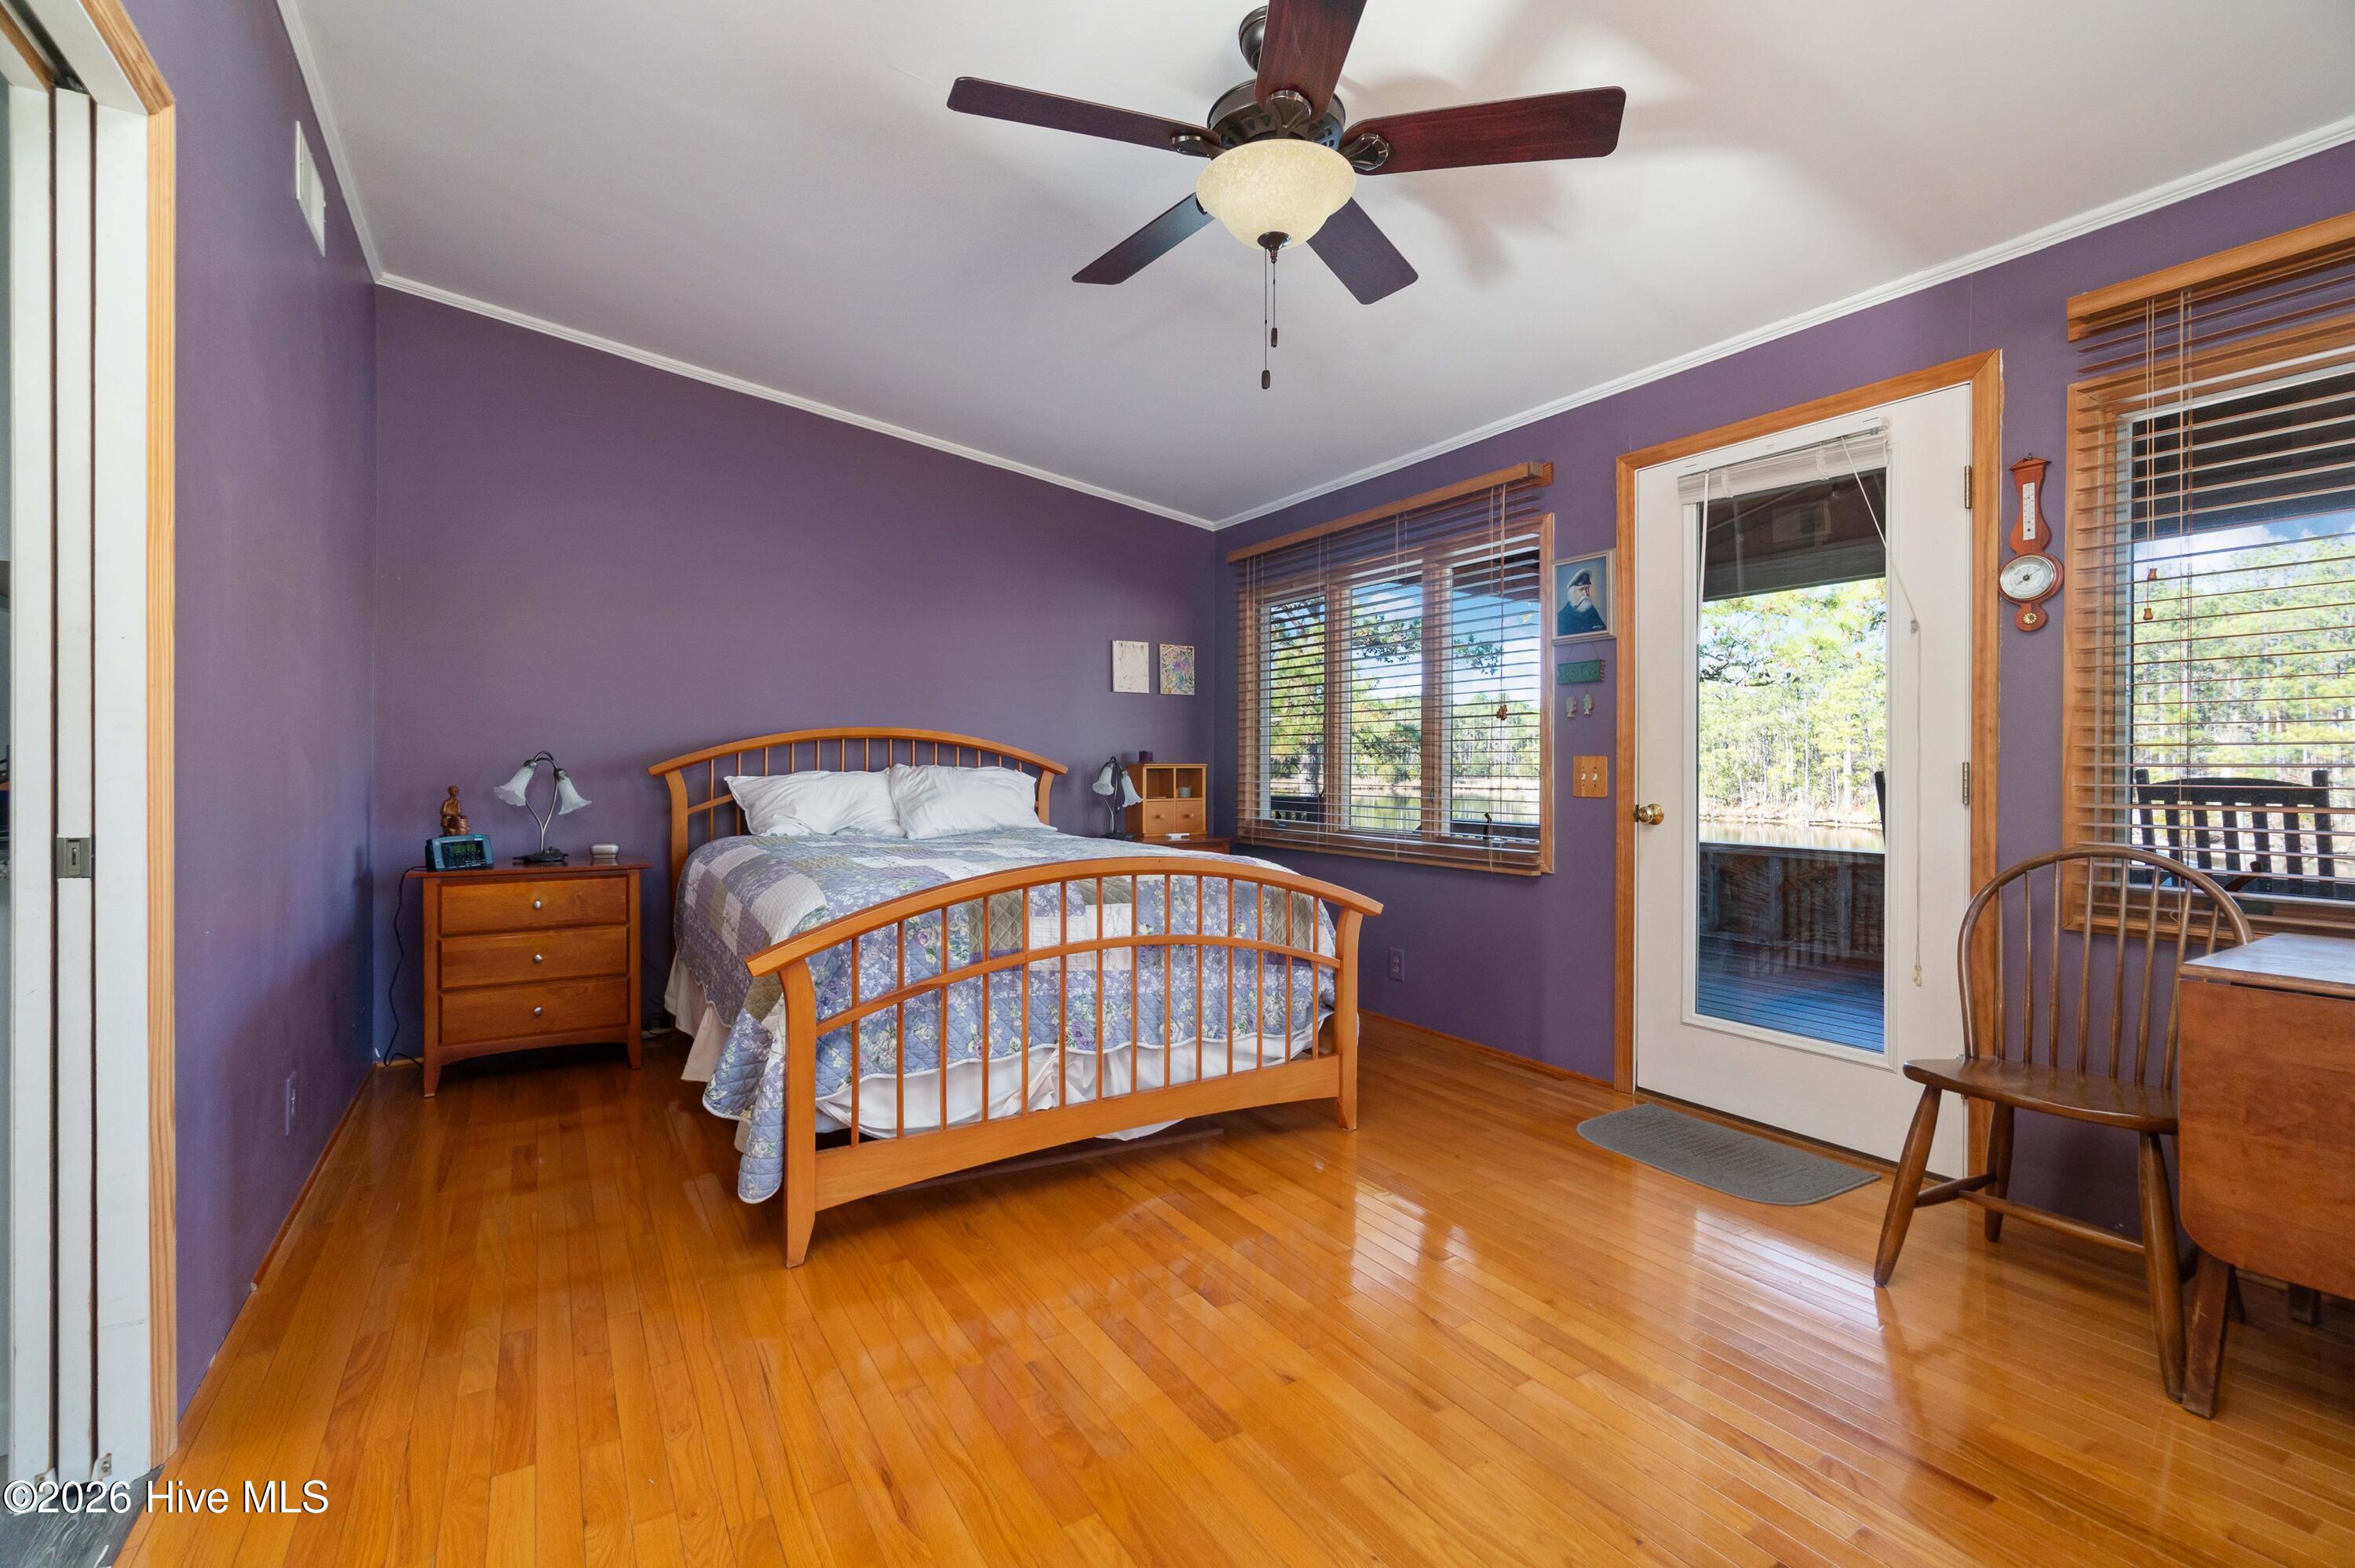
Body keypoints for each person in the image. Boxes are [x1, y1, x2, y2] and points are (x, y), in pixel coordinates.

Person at [1557, 567, 1606, 636]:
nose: (1586, 593)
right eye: (1581, 589)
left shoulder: (1592, 611)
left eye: (1587, 588)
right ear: (1572, 593)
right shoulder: (1561, 618)